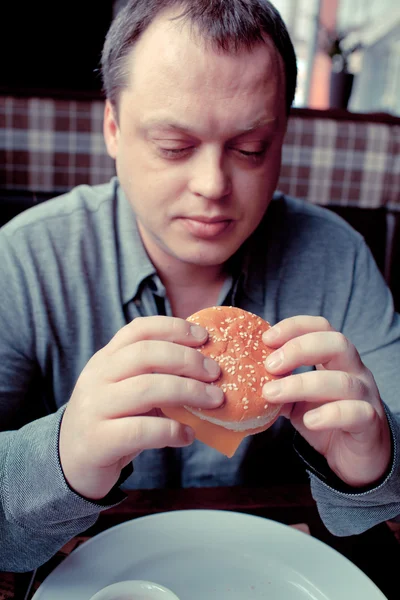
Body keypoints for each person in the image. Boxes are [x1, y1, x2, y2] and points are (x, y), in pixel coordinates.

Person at [1, 0, 399, 572]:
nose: (213, 185)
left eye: (250, 149)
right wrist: (61, 457)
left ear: (282, 138)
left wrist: (377, 459)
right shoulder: (24, 258)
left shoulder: (337, 258)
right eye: (174, 146)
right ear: (112, 127)